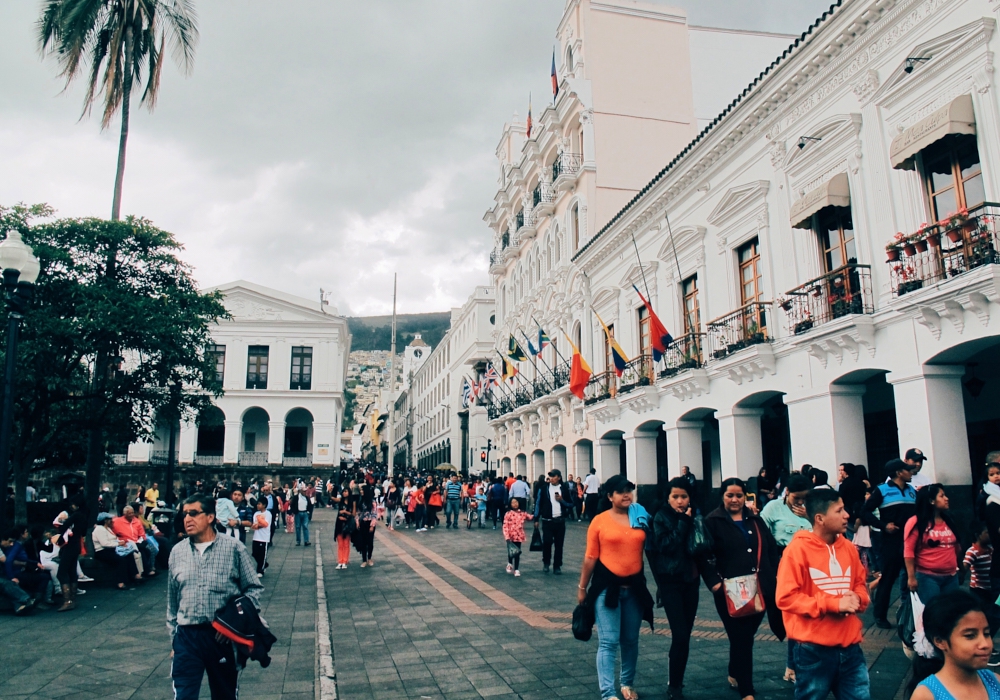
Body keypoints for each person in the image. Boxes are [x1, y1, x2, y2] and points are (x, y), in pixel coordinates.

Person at [776, 489, 871, 700]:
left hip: (851, 648)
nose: (847, 515)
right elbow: (786, 597)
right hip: (812, 650)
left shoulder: (848, 547)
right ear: (820, 518)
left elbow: (859, 584)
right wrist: (833, 605)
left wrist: (858, 598)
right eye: (839, 510)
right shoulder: (796, 550)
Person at [167, 493, 263, 700]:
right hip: (187, 636)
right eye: (185, 514)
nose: (187, 519)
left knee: (224, 694)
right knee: (184, 694)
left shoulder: (233, 548)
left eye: (194, 513)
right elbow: (172, 600)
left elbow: (253, 589)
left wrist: (232, 623)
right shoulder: (177, 552)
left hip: (221, 636)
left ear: (210, 517)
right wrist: (174, 639)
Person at [702, 477, 781, 700]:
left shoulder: (755, 519)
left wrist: (774, 575)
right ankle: (747, 690)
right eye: (730, 495)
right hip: (730, 591)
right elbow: (704, 555)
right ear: (722, 497)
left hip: (759, 589)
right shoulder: (712, 521)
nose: (735, 500)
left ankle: (735, 670)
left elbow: (770, 549)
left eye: (739, 495)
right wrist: (713, 582)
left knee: (745, 636)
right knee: (741, 638)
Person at [577, 475, 654, 700]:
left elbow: (656, 544)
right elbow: (591, 556)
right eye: (621, 491)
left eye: (629, 490)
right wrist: (582, 587)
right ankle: (608, 692)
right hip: (606, 589)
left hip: (635, 588)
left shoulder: (640, 516)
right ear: (610, 496)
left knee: (630, 640)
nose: (626, 495)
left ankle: (627, 684)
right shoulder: (600, 521)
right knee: (609, 641)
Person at [649, 477, 701, 699]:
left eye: (684, 496)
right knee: (679, 634)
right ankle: (674, 686)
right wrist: (682, 522)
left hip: (691, 581)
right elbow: (666, 546)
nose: (680, 501)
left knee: (685, 635)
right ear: (668, 498)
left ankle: (677, 681)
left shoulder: (696, 515)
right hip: (670, 582)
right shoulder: (661, 517)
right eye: (675, 497)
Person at [761, 472, 813, 684]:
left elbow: (826, 529)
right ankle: (793, 665)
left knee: (808, 615)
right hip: (782, 563)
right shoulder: (774, 507)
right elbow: (761, 531)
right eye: (796, 498)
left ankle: (800, 663)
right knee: (792, 615)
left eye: (804, 498)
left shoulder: (812, 507)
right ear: (787, 492)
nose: (800, 502)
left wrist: (809, 516)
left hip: (811, 565)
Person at [911, 590, 1000, 699]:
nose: (985, 644)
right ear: (940, 641)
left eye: (986, 634)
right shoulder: (926, 695)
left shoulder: (996, 682)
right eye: (970, 636)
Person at [862, 458, 917, 629]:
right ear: (899, 473)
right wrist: (883, 525)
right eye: (907, 470)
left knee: (913, 578)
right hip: (891, 542)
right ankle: (880, 616)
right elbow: (864, 512)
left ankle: (913, 615)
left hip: (911, 542)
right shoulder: (882, 490)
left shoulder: (912, 491)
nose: (911, 472)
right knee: (888, 579)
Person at [904, 483, 961, 603]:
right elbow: (908, 551)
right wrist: (911, 577)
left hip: (951, 576)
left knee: (951, 612)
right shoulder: (916, 522)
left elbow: (957, 546)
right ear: (931, 501)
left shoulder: (949, 520)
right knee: (933, 613)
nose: (947, 499)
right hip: (927, 577)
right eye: (942, 496)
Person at [534, 469, 573, 575]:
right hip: (547, 521)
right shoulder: (543, 488)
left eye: (553, 476)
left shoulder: (564, 488)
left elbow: (571, 504)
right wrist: (536, 518)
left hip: (560, 521)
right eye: (550, 476)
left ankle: (557, 566)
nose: (551, 478)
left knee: (559, 545)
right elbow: (538, 503)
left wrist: (562, 500)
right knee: (547, 542)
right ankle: (546, 563)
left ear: (559, 477)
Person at [91, 512, 141, 589]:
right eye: (110, 519)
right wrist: (118, 544)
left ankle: (135, 575)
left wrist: (120, 542)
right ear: (105, 520)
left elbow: (113, 539)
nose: (112, 521)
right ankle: (120, 582)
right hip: (102, 552)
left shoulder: (107, 528)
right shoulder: (99, 529)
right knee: (120, 560)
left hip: (111, 549)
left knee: (129, 555)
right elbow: (104, 543)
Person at [502, 497, 533, 576]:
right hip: (510, 536)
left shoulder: (522, 513)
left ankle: (516, 569)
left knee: (517, 553)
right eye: (513, 503)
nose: (515, 504)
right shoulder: (508, 514)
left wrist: (537, 513)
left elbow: (530, 517)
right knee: (511, 552)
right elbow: (505, 526)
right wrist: (507, 536)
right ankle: (510, 563)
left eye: (516, 502)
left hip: (519, 536)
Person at [334, 487, 356, 569]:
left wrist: (345, 512)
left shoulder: (352, 502)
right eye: (343, 492)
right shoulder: (341, 501)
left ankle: (345, 560)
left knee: (346, 543)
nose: (344, 493)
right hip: (340, 523)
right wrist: (331, 491)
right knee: (340, 544)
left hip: (348, 524)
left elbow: (353, 514)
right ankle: (340, 561)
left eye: (346, 491)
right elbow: (333, 498)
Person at [356, 486, 378, 568]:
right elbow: (358, 512)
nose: (361, 491)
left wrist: (372, 525)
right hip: (362, 522)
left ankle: (369, 558)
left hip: (370, 522)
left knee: (370, 542)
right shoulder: (360, 500)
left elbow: (374, 514)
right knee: (363, 541)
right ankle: (364, 559)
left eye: (362, 490)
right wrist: (357, 522)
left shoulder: (372, 502)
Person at [250, 497, 272, 576]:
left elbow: (265, 524)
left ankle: (260, 570)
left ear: (264, 505)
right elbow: (254, 524)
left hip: (264, 538)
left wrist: (258, 525)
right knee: (255, 553)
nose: (258, 505)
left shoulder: (268, 514)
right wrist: (257, 525)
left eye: (259, 504)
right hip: (256, 537)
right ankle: (264, 564)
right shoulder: (256, 513)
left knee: (262, 554)